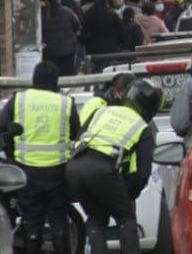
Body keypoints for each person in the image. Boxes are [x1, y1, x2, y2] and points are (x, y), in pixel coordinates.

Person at [0, 61, 80, 254]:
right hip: (58, 172)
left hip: (27, 171)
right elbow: (76, 133)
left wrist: (10, 147)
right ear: (55, 81)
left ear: (34, 79)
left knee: (31, 222)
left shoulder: (19, 100)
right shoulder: (66, 102)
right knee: (59, 220)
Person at [67, 79, 161, 254]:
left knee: (96, 219)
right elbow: (143, 172)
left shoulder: (101, 111)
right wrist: (129, 193)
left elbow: (78, 138)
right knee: (125, 217)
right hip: (103, 170)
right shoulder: (143, 127)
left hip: (75, 168)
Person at [41, 0, 81, 76]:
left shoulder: (41, 14)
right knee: (67, 75)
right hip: (68, 50)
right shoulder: (67, 11)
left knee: (52, 75)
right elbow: (77, 26)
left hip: (49, 52)